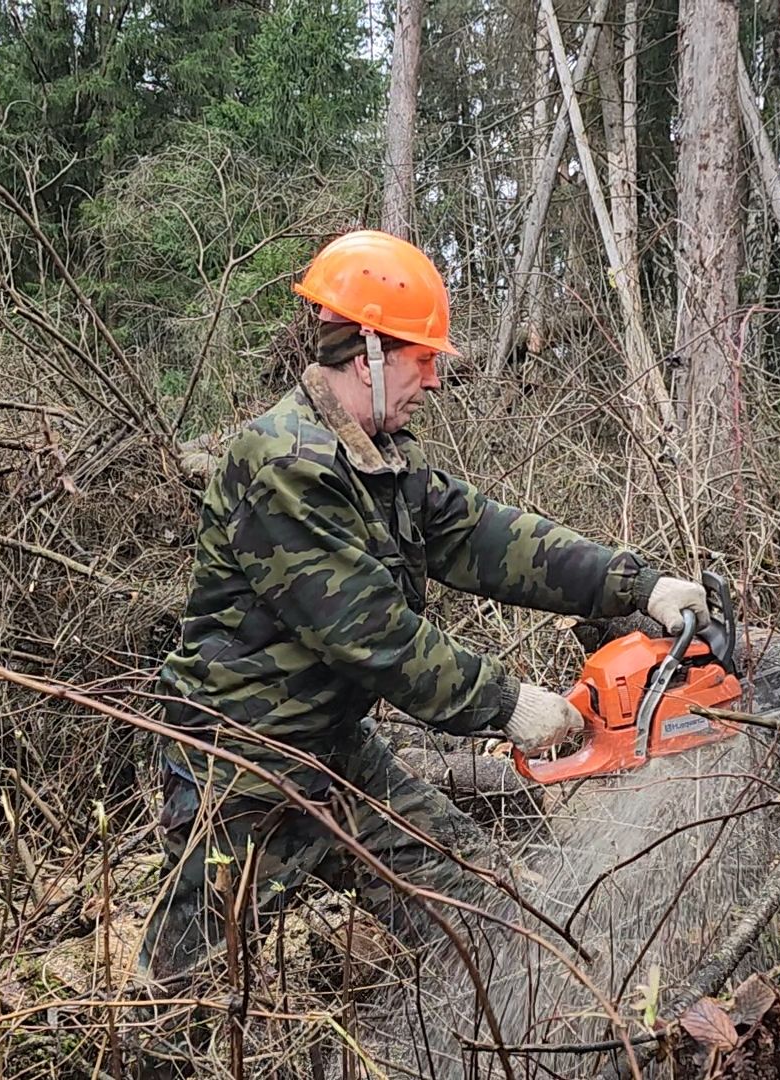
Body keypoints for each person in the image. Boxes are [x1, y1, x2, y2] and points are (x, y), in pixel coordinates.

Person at [137, 229, 712, 983]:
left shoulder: (378, 464)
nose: (435, 381)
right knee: (186, 997)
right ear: (369, 351)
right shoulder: (281, 461)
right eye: (423, 358)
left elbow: (491, 536)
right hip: (243, 769)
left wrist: (638, 585)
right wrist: (507, 703)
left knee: (486, 916)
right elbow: (369, 633)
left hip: (332, 751)